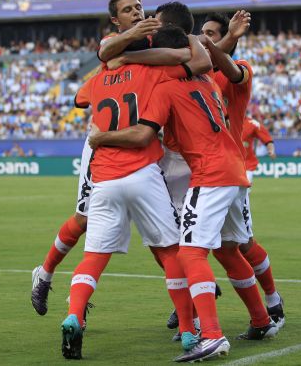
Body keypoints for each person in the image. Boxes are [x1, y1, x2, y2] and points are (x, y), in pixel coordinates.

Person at [90, 24, 279, 363]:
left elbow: (143, 137)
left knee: (190, 254)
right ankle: (262, 319)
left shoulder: (164, 87)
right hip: (235, 168)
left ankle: (211, 335)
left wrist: (101, 138)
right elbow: (200, 57)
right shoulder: (206, 79)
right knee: (228, 248)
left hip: (209, 173)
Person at [31, 0, 194, 317]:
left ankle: (185, 304)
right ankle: (45, 273)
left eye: (139, 7)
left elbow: (190, 58)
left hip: (147, 144)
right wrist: (135, 43)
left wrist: (141, 56)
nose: (136, 13)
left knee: (161, 232)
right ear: (116, 20)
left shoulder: (150, 44)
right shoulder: (117, 41)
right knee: (84, 220)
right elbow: (106, 53)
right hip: (105, 144)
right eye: (127, 10)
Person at [60, 31, 211, 361]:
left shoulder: (98, 79)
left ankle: (74, 315)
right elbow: (195, 62)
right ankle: (188, 331)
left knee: (94, 257)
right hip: (142, 172)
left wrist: (112, 63)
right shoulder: (153, 72)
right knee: (171, 252)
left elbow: (80, 100)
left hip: (103, 178)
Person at [200, 12, 285, 326]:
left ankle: (273, 300)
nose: (204, 39)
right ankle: (193, 302)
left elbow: (232, 71)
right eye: (202, 33)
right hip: (198, 170)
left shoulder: (240, 69)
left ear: (228, 39)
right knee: (197, 245)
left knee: (240, 244)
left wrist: (224, 41)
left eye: (212, 34)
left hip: (228, 170)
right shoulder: (196, 72)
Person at [242, 116, 276, 182]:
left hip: (247, 164)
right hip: (228, 164)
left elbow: (268, 139)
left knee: (244, 189)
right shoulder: (223, 121)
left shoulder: (253, 124)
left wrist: (271, 150)